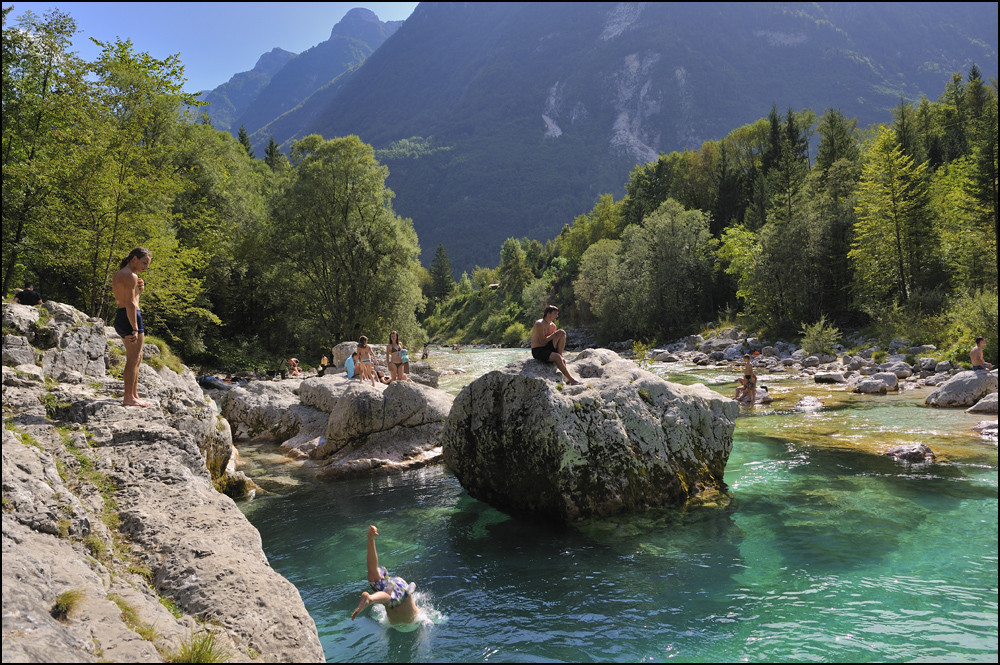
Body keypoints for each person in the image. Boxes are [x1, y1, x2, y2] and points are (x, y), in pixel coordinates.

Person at [351, 525, 419, 625]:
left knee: (374, 577)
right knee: (387, 596)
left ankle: (371, 539)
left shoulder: (416, 618)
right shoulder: (418, 619)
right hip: (402, 592)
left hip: (399, 586)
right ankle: (370, 599)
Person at [112, 247, 152, 407]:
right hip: (129, 317)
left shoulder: (120, 273)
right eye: (144, 263)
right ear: (134, 259)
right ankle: (129, 397)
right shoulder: (130, 275)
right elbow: (130, 304)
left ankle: (133, 395)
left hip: (122, 316)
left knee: (137, 357)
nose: (146, 267)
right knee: (133, 359)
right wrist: (135, 328)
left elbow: (129, 299)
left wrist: (138, 292)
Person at [530, 305, 581, 385]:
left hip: (547, 348)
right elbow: (542, 342)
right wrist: (554, 334)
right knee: (557, 357)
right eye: (555, 314)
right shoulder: (539, 324)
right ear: (548, 314)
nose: (557, 316)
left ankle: (560, 355)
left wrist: (557, 334)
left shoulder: (553, 325)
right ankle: (572, 380)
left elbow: (552, 340)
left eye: (557, 314)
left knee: (562, 333)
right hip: (538, 350)